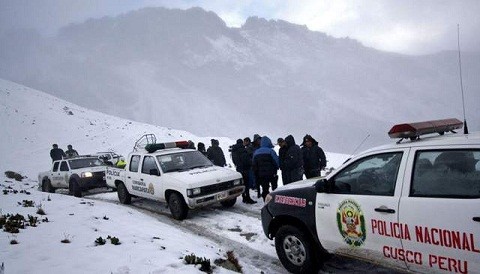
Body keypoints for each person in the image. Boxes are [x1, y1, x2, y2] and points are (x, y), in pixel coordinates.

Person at [252, 136, 279, 200]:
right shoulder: (271, 151)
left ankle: (266, 202)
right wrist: (277, 167)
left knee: (265, 189)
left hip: (261, 175)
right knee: (275, 189)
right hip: (272, 174)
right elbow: (276, 161)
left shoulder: (256, 152)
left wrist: (256, 173)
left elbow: (254, 164)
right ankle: (275, 201)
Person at [231, 139, 256, 204]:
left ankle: (244, 197)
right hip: (245, 169)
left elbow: (234, 160)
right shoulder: (242, 150)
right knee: (246, 184)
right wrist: (250, 163)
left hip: (239, 169)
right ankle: (247, 198)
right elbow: (246, 160)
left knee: (242, 183)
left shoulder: (234, 150)